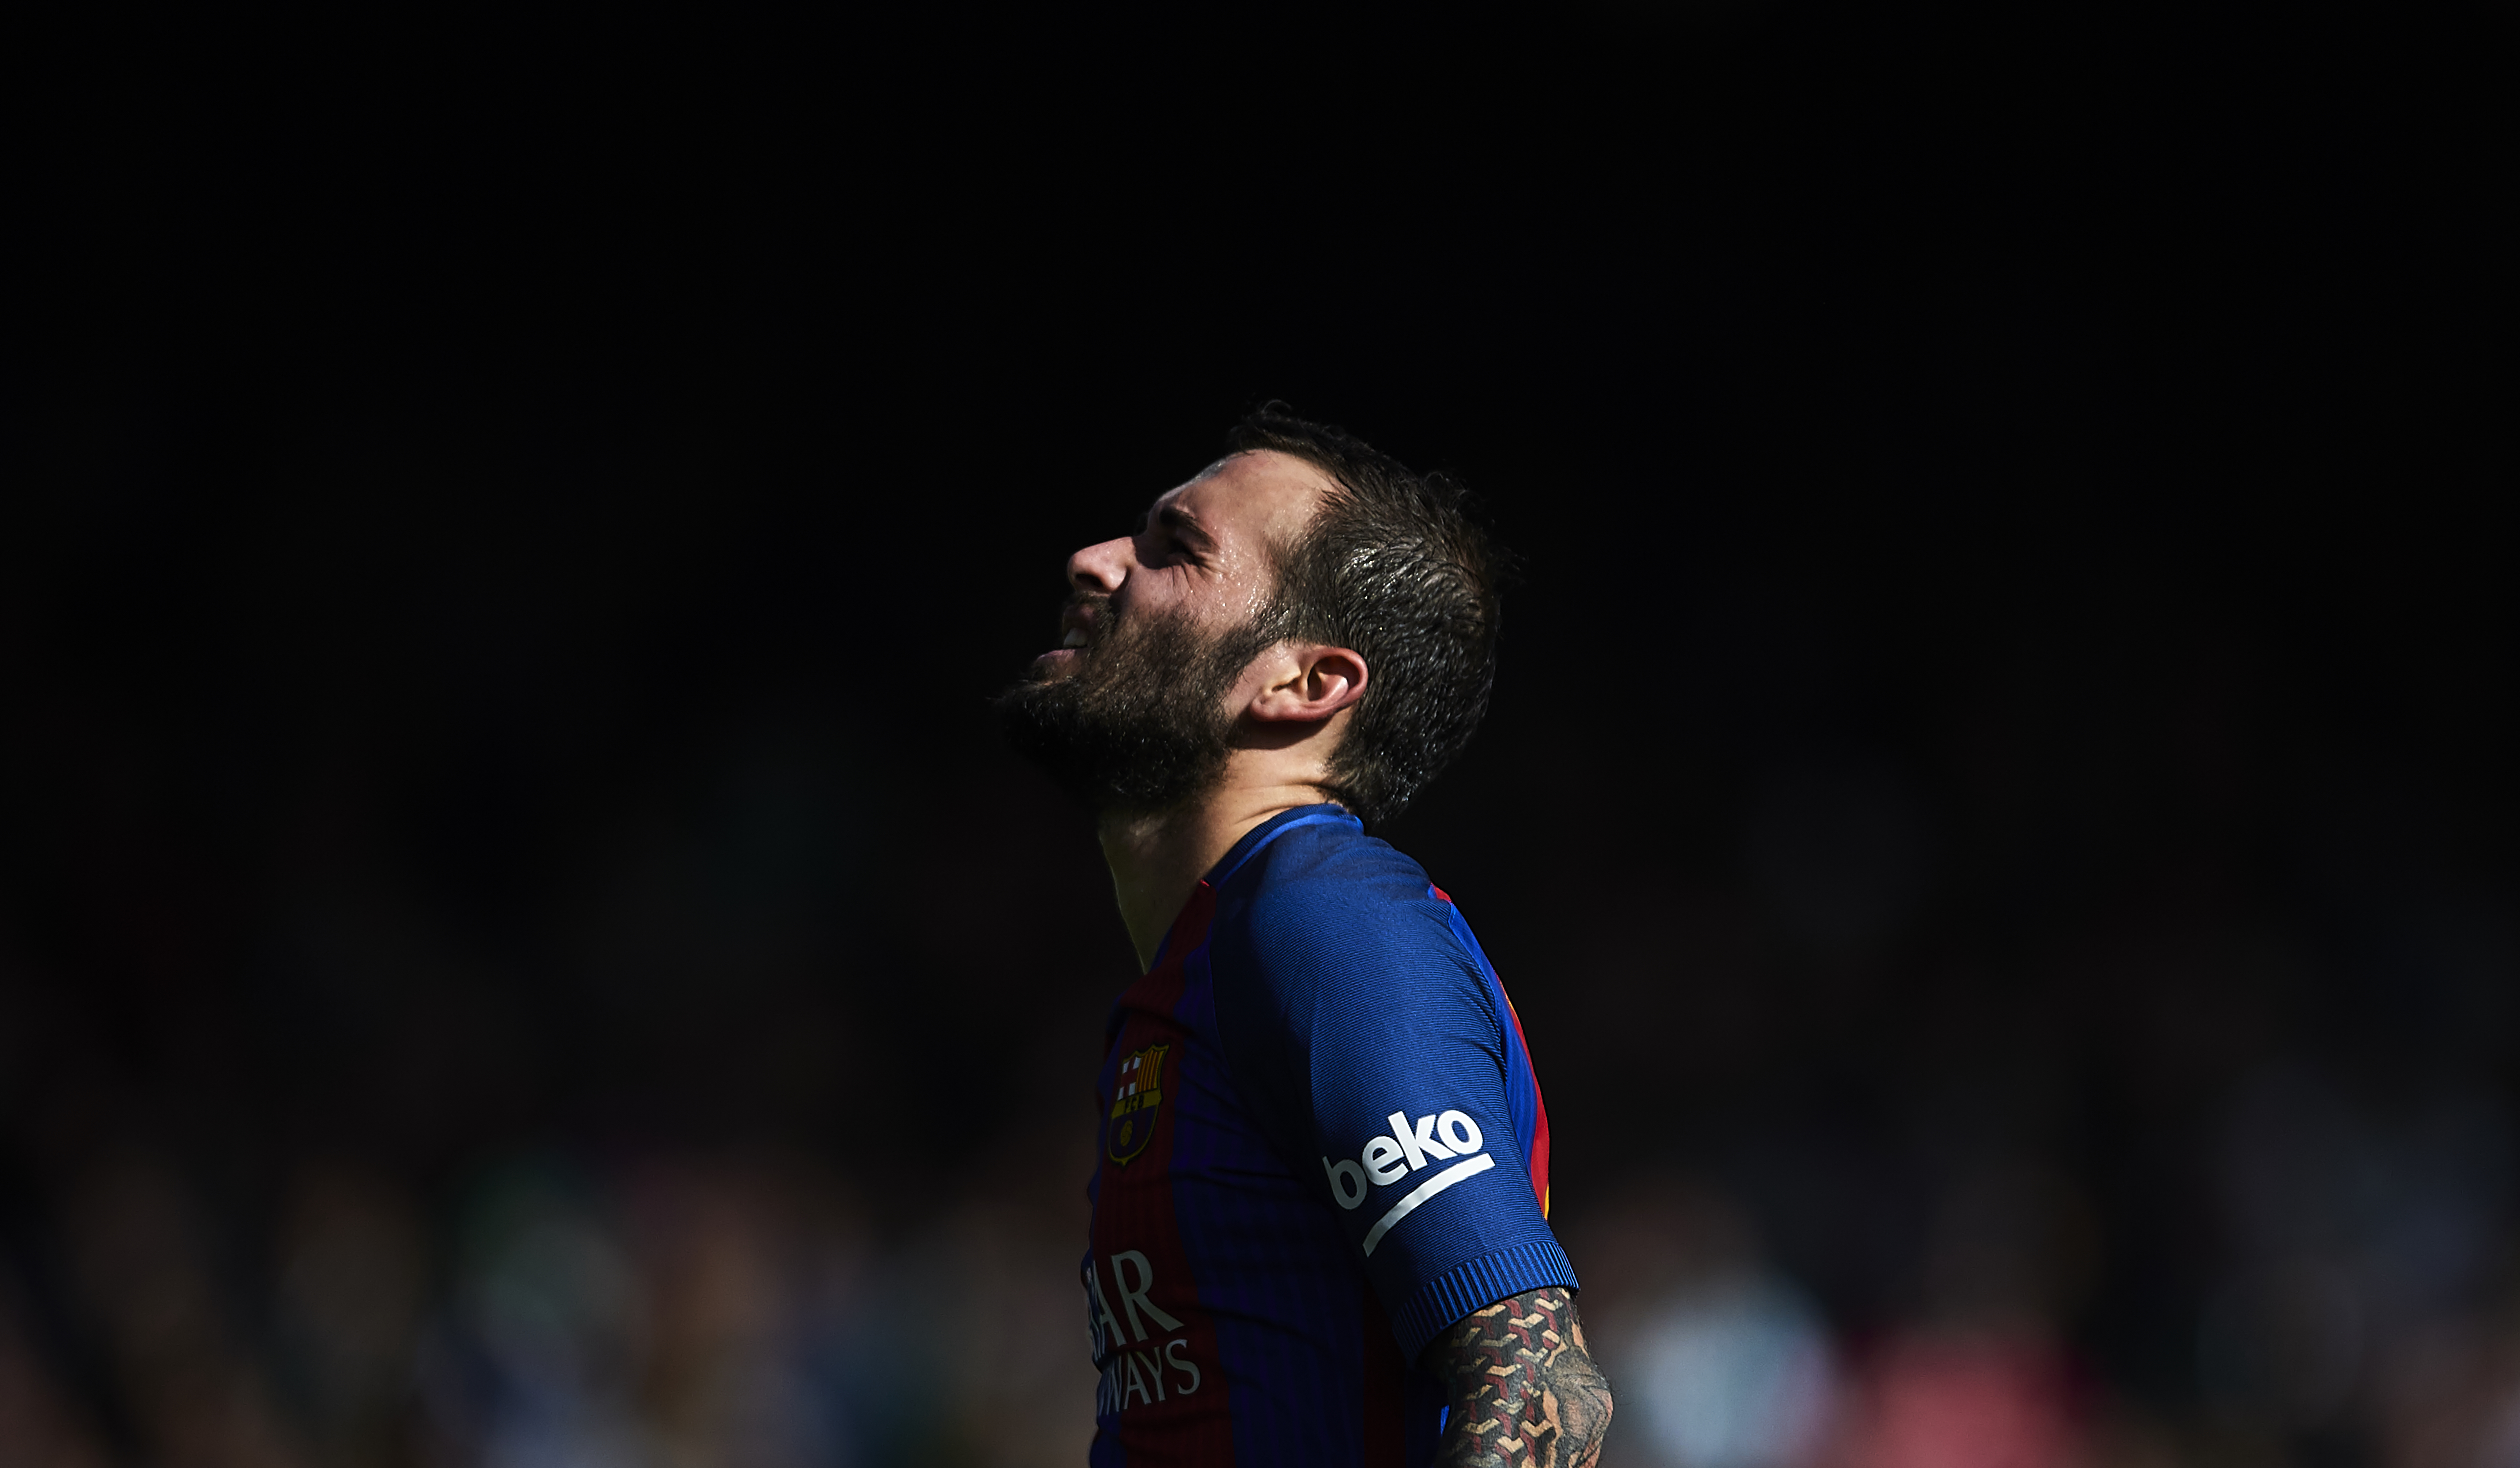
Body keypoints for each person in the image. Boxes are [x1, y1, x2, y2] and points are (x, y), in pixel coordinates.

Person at [997, 405, 1613, 1467]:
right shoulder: (1211, 957)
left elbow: (1536, 1388)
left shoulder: (1323, 919)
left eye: (1176, 550)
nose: (1095, 560)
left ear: (1303, 682)